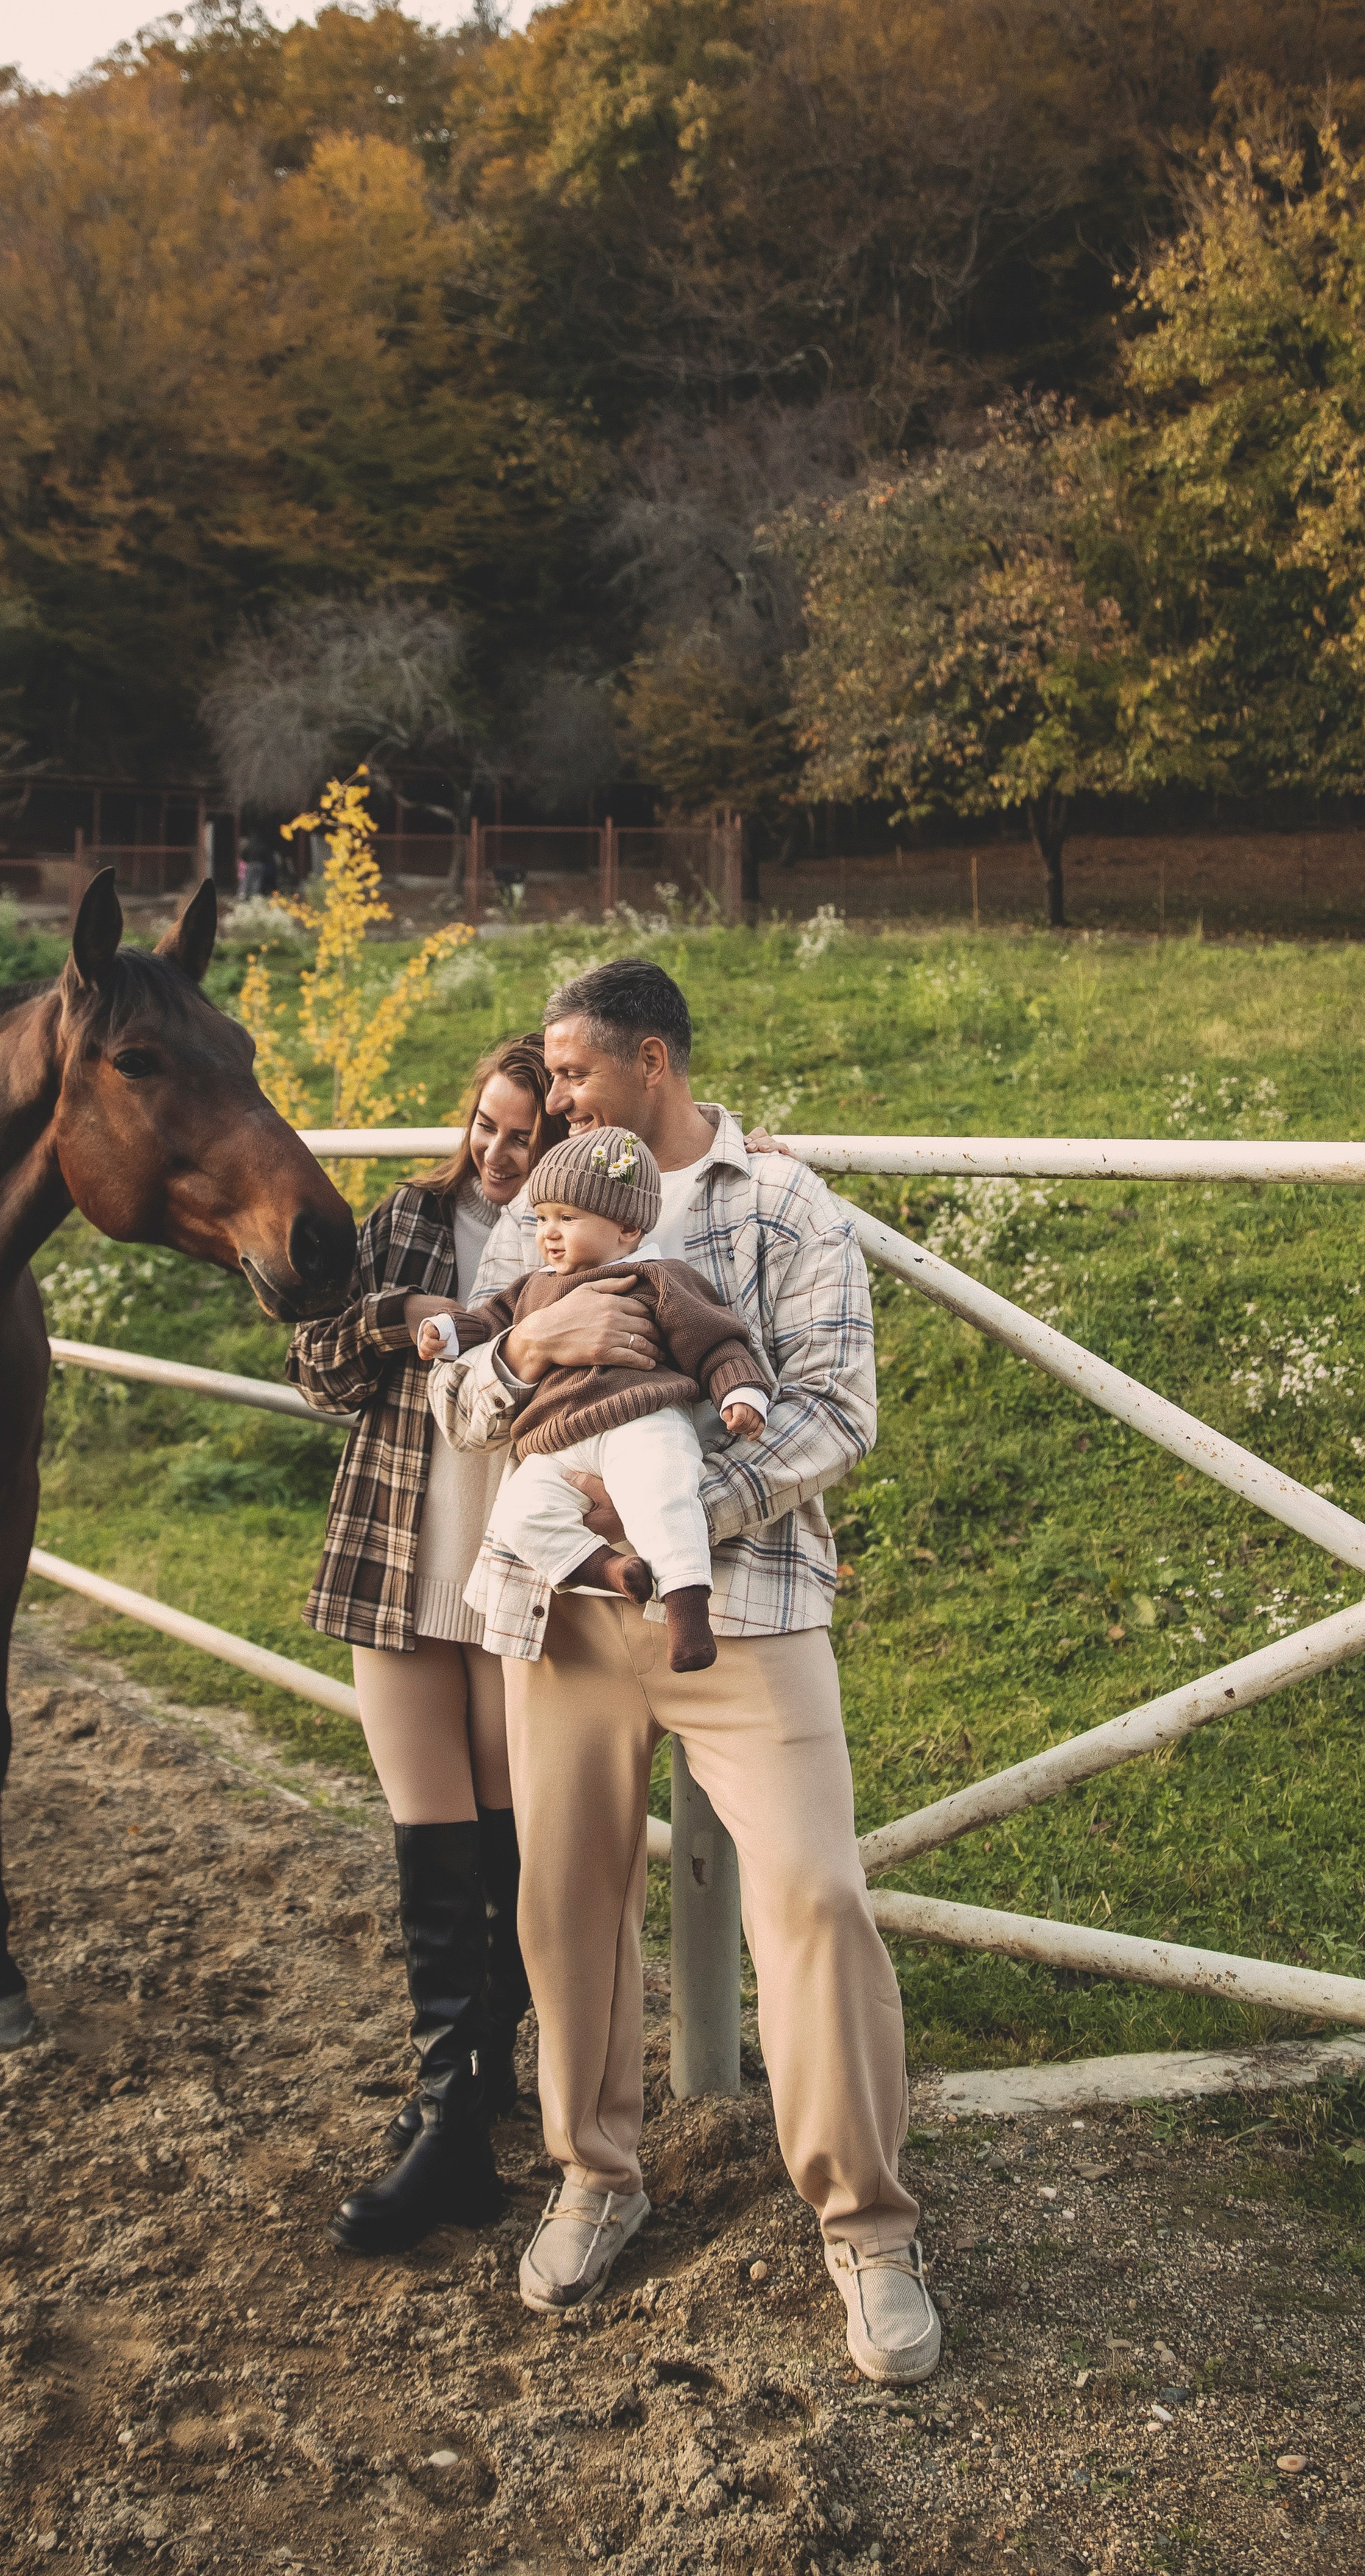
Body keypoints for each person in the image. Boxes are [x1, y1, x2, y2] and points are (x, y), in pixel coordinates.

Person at [429, 957, 942, 2385]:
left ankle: (867, 2221)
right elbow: (455, 1394)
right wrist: (524, 1339)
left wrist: (675, 1521)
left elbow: (832, 1412)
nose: (547, 1095)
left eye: (572, 1070)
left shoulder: (782, 1205)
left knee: (817, 1892)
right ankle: (595, 2175)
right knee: (564, 1901)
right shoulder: (533, 1212)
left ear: (651, 1062)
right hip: (563, 1619)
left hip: (745, 1606)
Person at [285, 1033, 565, 2257]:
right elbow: (313, 1368)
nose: (501, 1155)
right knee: (430, 1833)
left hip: (512, 1568)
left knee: (508, 1838)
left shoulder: (571, 1242)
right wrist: (397, 1320)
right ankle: (452, 2110)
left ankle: (480, 2086)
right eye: (490, 1127)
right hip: (394, 1556)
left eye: (528, 1137)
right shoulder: (405, 1217)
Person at [417, 1129, 771, 1671]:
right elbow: (488, 1321)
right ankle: (608, 1569)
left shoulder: (657, 1278)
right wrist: (448, 1330)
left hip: (642, 1419)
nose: (548, 1235)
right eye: (542, 1218)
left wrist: (741, 1391)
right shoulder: (535, 1287)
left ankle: (687, 1611)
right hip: (560, 1438)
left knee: (660, 1495)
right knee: (519, 1512)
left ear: (628, 1227)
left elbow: (716, 1341)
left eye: (568, 1217)